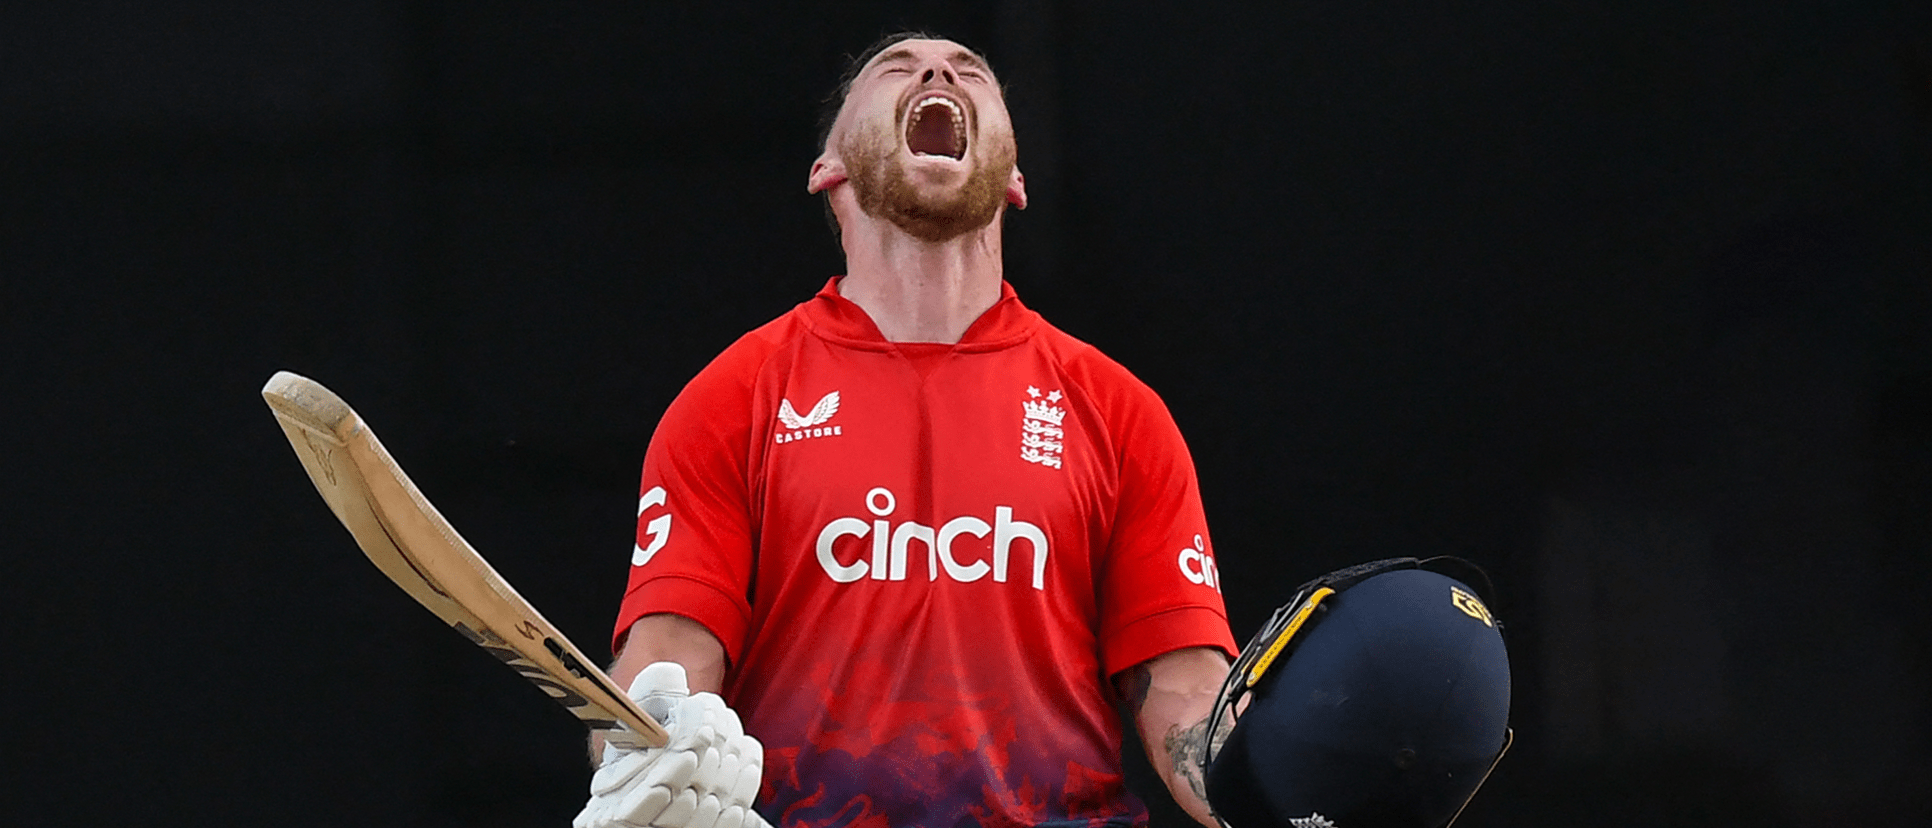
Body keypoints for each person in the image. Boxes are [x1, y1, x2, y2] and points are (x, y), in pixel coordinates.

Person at [576, 32, 1238, 828]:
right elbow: (669, 660)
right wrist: (645, 752)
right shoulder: (732, 398)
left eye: (972, 72)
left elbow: (1186, 692)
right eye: (897, 68)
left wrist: (1290, 792)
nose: (937, 70)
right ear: (827, 167)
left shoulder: (1119, 410)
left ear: (1016, 176)